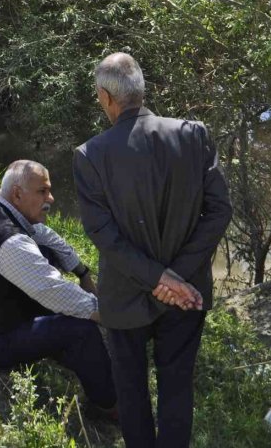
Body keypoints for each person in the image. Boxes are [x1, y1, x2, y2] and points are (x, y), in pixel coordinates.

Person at [73, 53, 233, 448]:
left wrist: (159, 278)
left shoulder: (90, 155)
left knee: (131, 388)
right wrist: (175, 276)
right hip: (187, 289)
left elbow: (104, 235)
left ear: (106, 98)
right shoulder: (193, 135)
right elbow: (219, 210)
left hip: (125, 294)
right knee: (177, 385)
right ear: (142, 92)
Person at [0, 160, 116, 414]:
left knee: (47, 252)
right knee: (81, 329)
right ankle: (108, 404)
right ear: (18, 194)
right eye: (42, 191)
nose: (51, 198)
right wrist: (115, 317)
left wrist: (82, 272)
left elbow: (46, 236)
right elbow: (62, 294)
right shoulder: (11, 242)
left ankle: (68, 352)